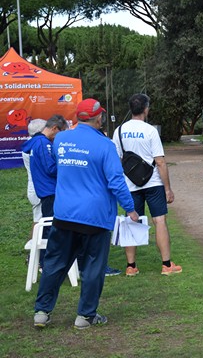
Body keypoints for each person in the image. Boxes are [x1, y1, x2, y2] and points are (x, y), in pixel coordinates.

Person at [33, 98, 139, 329]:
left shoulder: (61, 138)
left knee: (54, 264)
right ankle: (86, 315)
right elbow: (116, 182)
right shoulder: (105, 145)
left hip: (64, 214)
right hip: (95, 217)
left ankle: (42, 311)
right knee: (93, 267)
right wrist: (130, 209)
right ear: (99, 118)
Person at [112, 93, 181, 277]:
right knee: (159, 220)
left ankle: (131, 266)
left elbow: (117, 160)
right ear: (146, 109)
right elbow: (160, 161)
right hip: (153, 182)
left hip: (130, 184)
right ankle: (166, 265)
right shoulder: (150, 131)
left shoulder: (118, 131)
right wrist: (168, 188)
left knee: (131, 221)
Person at [21, 115, 68, 270]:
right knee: (50, 228)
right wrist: (66, 165)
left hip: (44, 190)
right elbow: (51, 168)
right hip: (49, 191)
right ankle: (46, 262)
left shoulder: (36, 142)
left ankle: (44, 261)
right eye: (60, 133)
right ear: (54, 128)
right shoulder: (43, 143)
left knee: (47, 227)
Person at [22, 119, 46, 226]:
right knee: (38, 223)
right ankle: (32, 243)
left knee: (40, 221)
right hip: (38, 189)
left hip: (35, 188)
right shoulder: (36, 146)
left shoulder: (30, 143)